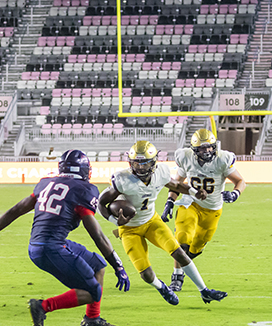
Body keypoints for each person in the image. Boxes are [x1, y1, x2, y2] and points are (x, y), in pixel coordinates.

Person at [0, 150, 130, 326]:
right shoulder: (85, 190)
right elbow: (97, 235)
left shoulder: (46, 183)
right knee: (93, 292)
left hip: (44, 244)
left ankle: (92, 318)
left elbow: (17, 209)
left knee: (97, 265)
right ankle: (43, 307)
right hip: (51, 249)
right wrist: (118, 265)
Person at [97, 141, 227, 306]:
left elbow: (176, 185)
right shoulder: (122, 179)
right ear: (130, 162)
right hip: (129, 229)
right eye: (137, 163)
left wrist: (194, 192)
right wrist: (115, 221)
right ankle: (161, 287)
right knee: (146, 274)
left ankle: (204, 291)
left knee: (179, 253)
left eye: (144, 163)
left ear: (153, 162)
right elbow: (101, 203)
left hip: (152, 221)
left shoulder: (161, 172)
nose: (141, 167)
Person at [160, 129, 246, 292]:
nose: (207, 151)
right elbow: (177, 182)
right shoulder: (185, 157)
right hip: (190, 202)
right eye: (202, 148)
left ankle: (185, 267)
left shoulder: (222, 159)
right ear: (194, 149)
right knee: (183, 238)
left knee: (196, 248)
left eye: (209, 147)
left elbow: (240, 181)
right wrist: (170, 202)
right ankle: (177, 277)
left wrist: (235, 193)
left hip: (212, 209)